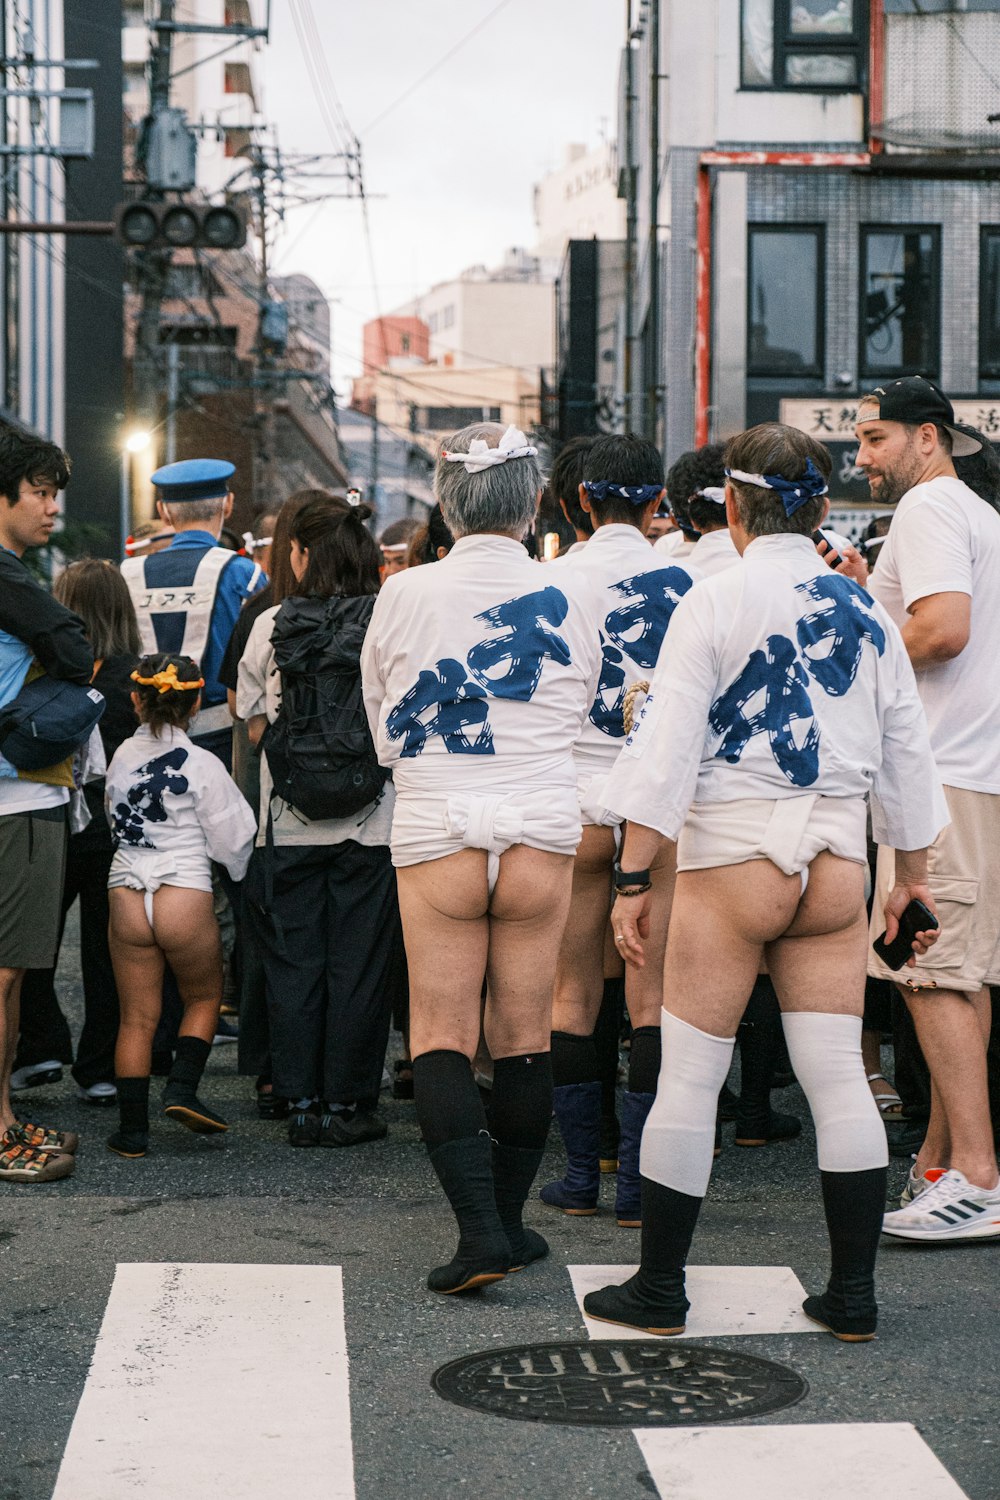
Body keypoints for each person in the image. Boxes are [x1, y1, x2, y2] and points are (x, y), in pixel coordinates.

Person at [583, 422, 946, 1342]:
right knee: (836, 1077)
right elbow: (908, 749)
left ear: (734, 510)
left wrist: (632, 879)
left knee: (691, 1076)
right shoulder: (863, 611)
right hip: (835, 860)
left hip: (732, 855)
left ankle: (661, 1289)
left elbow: (664, 751)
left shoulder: (713, 597)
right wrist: (913, 880)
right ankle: (853, 1296)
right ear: (821, 507)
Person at [362, 421, 601, 1294]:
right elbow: (582, 712)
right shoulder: (568, 595)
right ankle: (505, 1222)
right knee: (523, 1035)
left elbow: (383, 720)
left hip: (437, 824)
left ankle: (478, 1234)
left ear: (444, 502)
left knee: (442, 1033)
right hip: (540, 819)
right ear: (533, 502)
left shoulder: (403, 593)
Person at [540, 433, 700, 1227]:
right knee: (651, 999)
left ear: (577, 502)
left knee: (572, 992)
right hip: (654, 806)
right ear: (655, 502)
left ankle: (579, 1177)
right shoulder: (690, 580)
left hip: (574, 799)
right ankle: (638, 1187)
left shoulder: (550, 580)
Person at [855, 378, 1000, 1238]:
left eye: (877, 439)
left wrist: (861, 656)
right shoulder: (977, 513)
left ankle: (977, 1176)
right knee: (960, 971)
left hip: (941, 774)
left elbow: (941, 629)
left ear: (929, 438)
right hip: (973, 772)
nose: (863, 456)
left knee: (928, 966)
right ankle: (944, 1165)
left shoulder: (932, 508)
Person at [237, 497, 401, 1149]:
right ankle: (349, 1104)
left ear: (302, 554)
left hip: (288, 825)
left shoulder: (272, 624)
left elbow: (253, 725)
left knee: (295, 965)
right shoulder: (388, 621)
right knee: (358, 966)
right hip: (372, 825)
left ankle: (300, 1099)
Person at [104, 653, 256, 1158]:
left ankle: (131, 1134)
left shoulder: (121, 756)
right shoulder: (202, 763)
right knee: (204, 997)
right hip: (183, 890)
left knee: (136, 1018)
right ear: (195, 704)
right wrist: (237, 878)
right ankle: (183, 1089)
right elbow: (234, 840)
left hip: (126, 887)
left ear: (135, 700)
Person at [0, 422, 90, 1183]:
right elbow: (73, 644)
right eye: (39, 492)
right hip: (13, 797)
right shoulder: (5, 575)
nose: (52, 507)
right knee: (5, 971)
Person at [16, 562, 141, 1107]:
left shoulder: (47, 672)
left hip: (53, 815)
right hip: (118, 829)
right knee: (106, 951)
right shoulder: (137, 678)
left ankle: (39, 1043)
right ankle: (101, 1067)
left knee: (33, 941)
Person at [120, 458, 265, 768]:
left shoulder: (126, 575)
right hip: (223, 742)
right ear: (228, 505)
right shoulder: (246, 576)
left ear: (164, 512)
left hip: (140, 738)